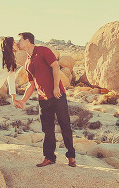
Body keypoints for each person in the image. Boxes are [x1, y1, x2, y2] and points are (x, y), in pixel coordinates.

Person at [13, 32, 76, 167]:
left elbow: (55, 66)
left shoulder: (43, 51)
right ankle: (49, 157)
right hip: (43, 99)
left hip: (57, 95)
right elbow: (31, 84)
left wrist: (56, 87)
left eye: (20, 40)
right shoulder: (27, 62)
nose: (18, 43)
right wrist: (23, 101)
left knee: (65, 125)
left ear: (28, 40)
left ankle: (71, 157)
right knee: (47, 129)